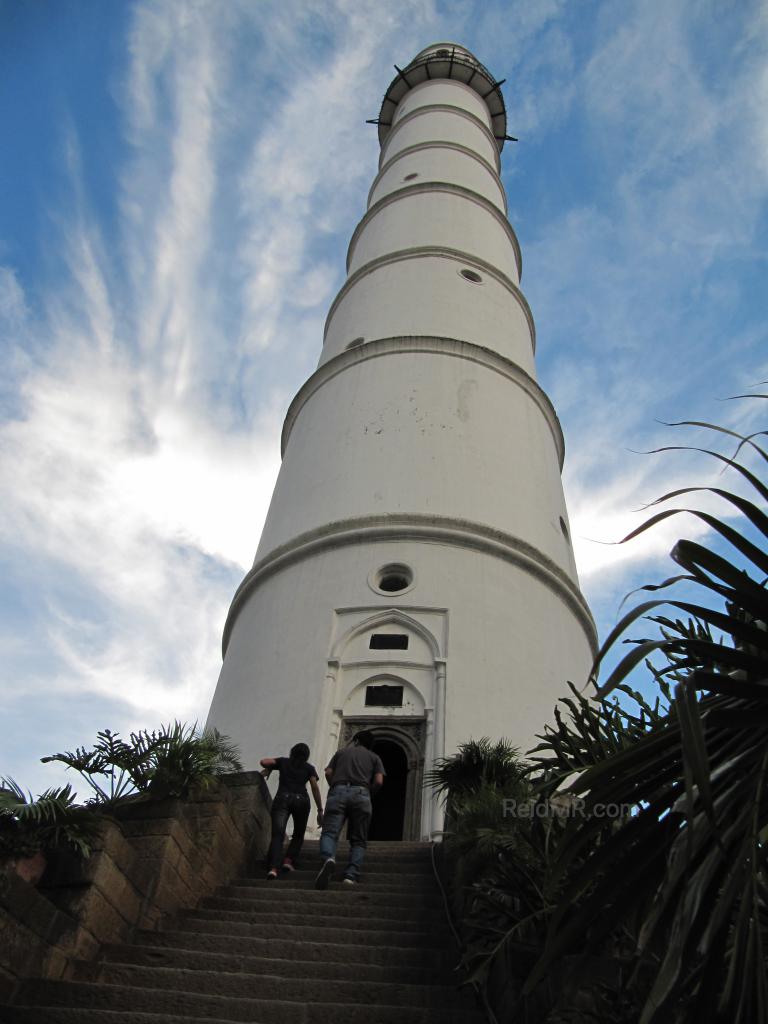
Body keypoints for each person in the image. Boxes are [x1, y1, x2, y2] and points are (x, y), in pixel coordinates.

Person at [315, 730, 385, 889]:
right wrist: (369, 793)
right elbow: (379, 781)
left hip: (338, 791)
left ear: (357, 740)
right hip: (362, 793)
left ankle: (328, 858)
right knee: (359, 839)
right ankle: (351, 874)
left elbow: (328, 772)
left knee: (329, 833)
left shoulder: (341, 752)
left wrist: (335, 785)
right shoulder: (375, 758)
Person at [260, 742, 323, 880]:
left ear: (292, 752)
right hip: (302, 800)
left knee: (278, 835)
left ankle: (273, 868)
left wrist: (271, 767)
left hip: (282, 798)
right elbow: (314, 787)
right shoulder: (309, 768)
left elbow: (264, 761)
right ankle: (288, 861)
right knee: (299, 835)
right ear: (306, 755)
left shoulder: (283, 761)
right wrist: (320, 809)